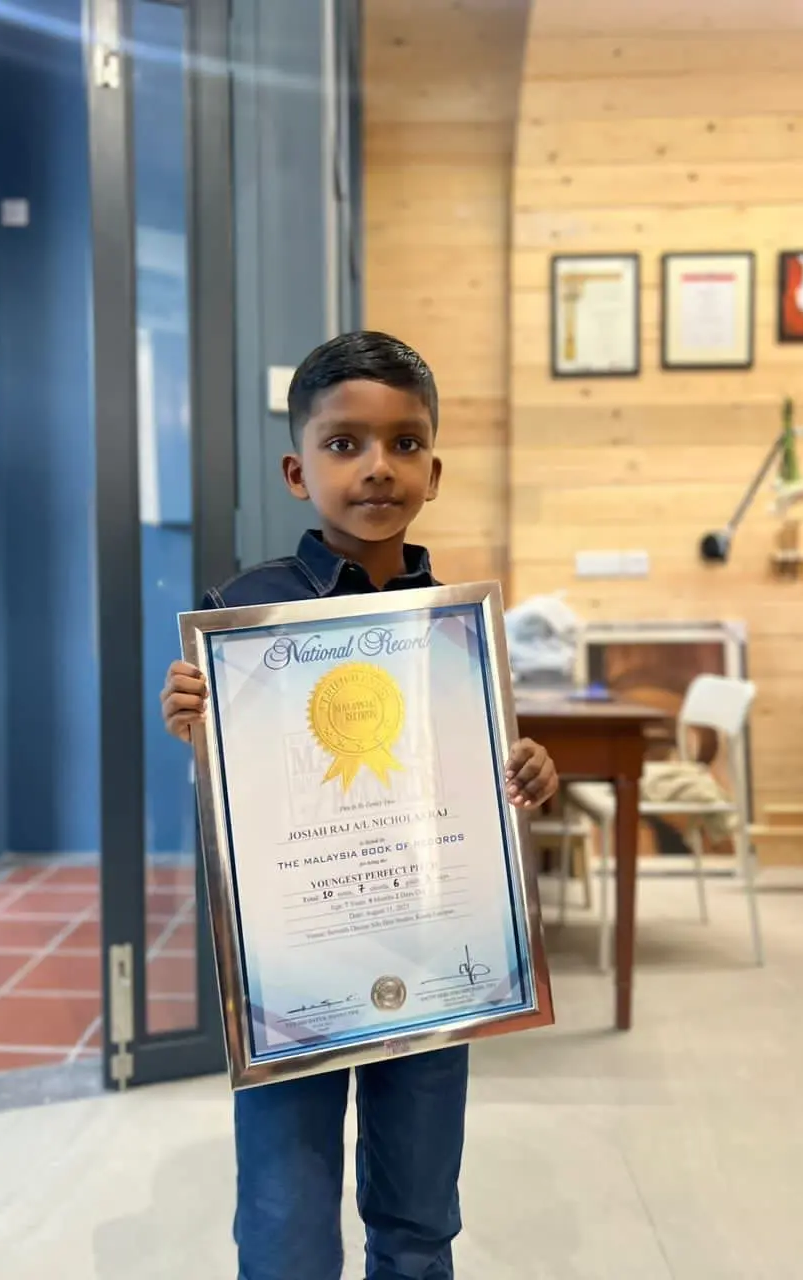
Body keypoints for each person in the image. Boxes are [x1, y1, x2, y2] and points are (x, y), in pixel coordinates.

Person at [160, 331, 558, 1280]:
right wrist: (196, 731)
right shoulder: (243, 614)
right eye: (345, 444)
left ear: (434, 468)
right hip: (294, 968)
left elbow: (477, 778)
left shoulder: (457, 626)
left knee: (420, 1210)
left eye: (404, 443)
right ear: (299, 470)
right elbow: (232, 800)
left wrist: (525, 772)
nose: (377, 468)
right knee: (286, 1217)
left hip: (426, 953)